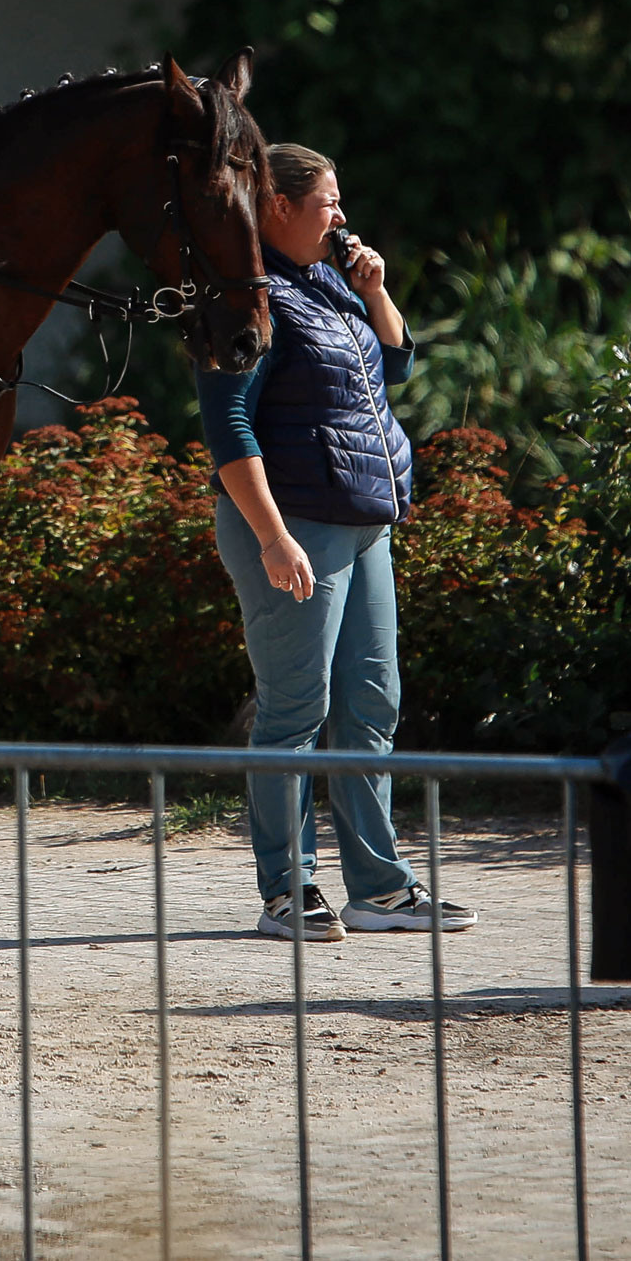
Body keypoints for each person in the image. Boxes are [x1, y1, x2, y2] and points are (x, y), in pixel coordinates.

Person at [197, 142, 475, 939]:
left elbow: (396, 368)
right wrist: (273, 537)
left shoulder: (330, 282)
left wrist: (376, 292)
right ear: (278, 207)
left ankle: (379, 889)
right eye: (327, 201)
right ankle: (288, 890)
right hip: (291, 526)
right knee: (295, 709)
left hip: (362, 523)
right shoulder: (245, 296)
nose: (342, 215)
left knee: (371, 702)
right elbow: (228, 424)